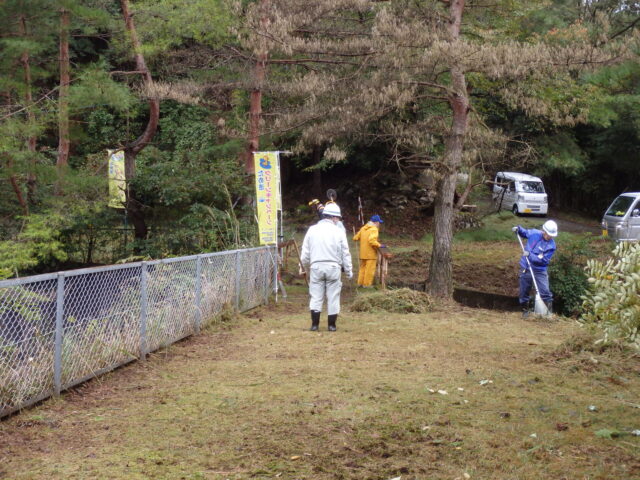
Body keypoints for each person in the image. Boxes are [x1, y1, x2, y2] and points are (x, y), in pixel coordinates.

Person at [300, 203, 353, 331]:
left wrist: (302, 266)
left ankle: (314, 325)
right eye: (338, 218)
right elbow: (345, 253)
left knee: (316, 296)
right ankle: (331, 325)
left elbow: (305, 252)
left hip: (316, 267)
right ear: (334, 217)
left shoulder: (312, 230)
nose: (338, 221)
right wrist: (348, 271)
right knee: (333, 297)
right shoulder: (339, 232)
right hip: (333, 267)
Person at [512, 220, 558, 317]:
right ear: (544, 231)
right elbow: (524, 233)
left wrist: (530, 255)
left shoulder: (551, 246)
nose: (550, 236)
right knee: (524, 290)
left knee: (545, 291)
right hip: (526, 267)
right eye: (548, 234)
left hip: (540, 270)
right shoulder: (534, 233)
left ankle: (548, 313)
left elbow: (543, 260)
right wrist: (518, 229)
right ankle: (525, 310)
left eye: (552, 235)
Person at [353, 214, 385, 288]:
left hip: (363, 253)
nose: (379, 224)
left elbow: (355, 238)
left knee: (362, 268)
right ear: (376, 222)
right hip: (371, 253)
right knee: (369, 270)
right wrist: (380, 245)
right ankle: (367, 285)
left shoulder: (363, 228)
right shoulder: (374, 229)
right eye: (379, 222)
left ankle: (360, 283)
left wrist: (358, 237)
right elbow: (372, 241)